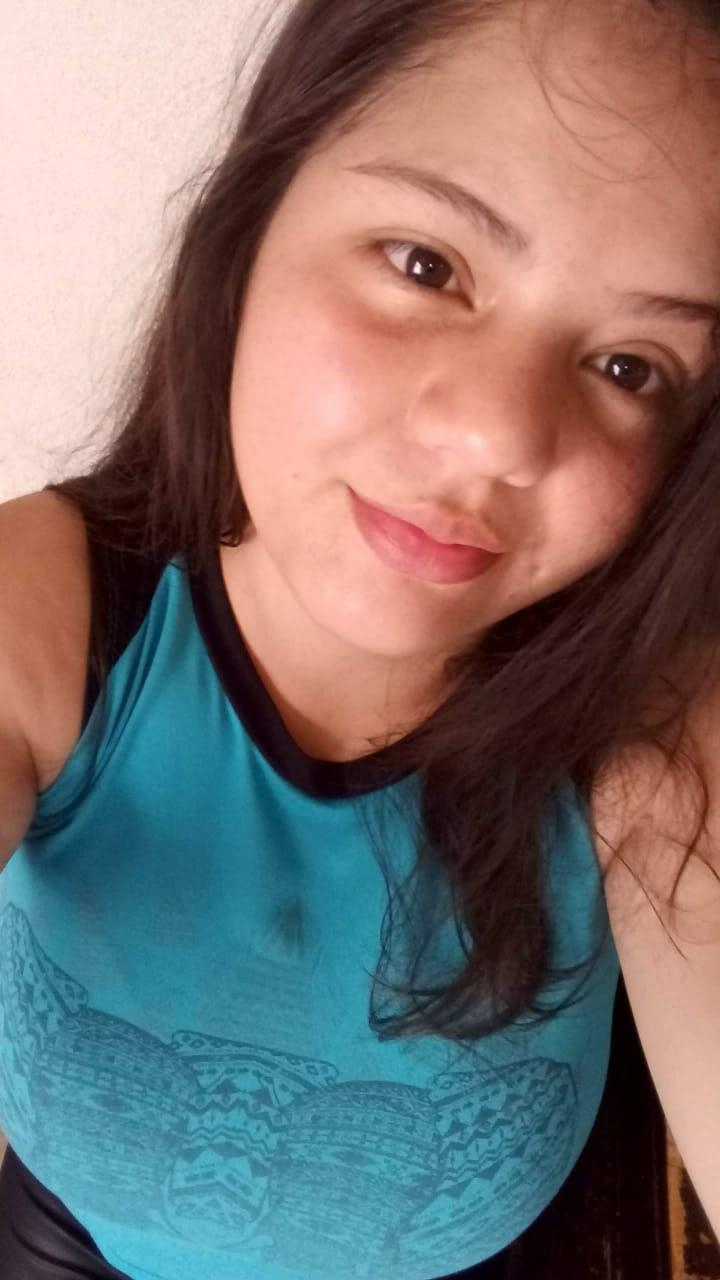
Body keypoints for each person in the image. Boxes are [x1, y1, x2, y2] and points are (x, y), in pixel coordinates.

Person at [2, 0, 720, 1275]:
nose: (499, 436)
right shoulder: (50, 606)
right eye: (426, 264)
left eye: (630, 367)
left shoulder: (655, 730)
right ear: (253, 222)